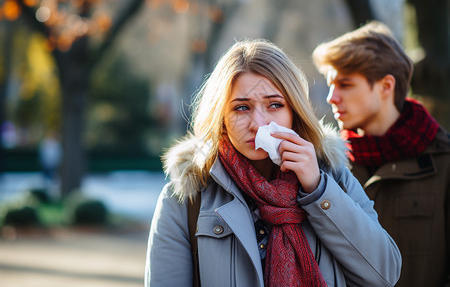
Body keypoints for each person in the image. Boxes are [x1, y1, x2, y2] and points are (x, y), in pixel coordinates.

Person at [145, 39, 401, 286]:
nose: (259, 124)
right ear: (221, 117)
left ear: (294, 112)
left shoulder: (335, 181)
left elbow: (385, 274)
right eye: (241, 108)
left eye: (275, 104)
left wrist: (318, 191)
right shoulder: (186, 199)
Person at [312, 21, 450, 287]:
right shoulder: (323, 167)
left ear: (386, 86)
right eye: (330, 85)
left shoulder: (444, 163)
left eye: (345, 84)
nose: (331, 97)